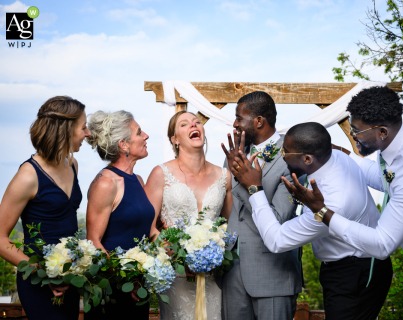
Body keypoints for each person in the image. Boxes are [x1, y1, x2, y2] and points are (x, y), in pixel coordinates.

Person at [287, 86, 403, 320]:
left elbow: (382, 244)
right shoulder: (401, 139)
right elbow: (385, 179)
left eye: (356, 131)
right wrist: (343, 157)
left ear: (381, 132)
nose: (354, 135)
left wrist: (322, 211)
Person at [231, 122, 392, 320]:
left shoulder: (332, 203)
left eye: (286, 152)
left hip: (354, 273)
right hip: (354, 266)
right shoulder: (337, 157)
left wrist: (254, 188)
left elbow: (276, 241)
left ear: (307, 158)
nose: (281, 155)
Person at [0, 96, 90, 320]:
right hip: (37, 283)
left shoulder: (72, 164)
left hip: (68, 281)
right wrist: (43, 274)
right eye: (83, 127)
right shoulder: (28, 176)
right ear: (66, 129)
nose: (87, 134)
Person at [221, 91, 302, 320]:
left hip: (273, 274)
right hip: (232, 274)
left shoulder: (291, 156)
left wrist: (243, 180)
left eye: (239, 118)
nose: (235, 124)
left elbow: (276, 219)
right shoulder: (236, 155)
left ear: (259, 121)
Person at [144, 111, 233, 320]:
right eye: (184, 125)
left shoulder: (224, 176)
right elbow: (148, 227)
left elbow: (229, 226)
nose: (193, 126)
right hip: (177, 274)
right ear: (175, 140)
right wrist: (177, 254)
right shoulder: (161, 173)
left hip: (212, 274)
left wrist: (217, 253)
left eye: (197, 122)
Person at [85, 110, 154, 320]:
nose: (146, 136)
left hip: (138, 287)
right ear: (123, 144)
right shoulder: (106, 183)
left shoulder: (139, 180)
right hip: (112, 291)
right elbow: (93, 241)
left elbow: (148, 231)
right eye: (139, 132)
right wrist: (124, 281)